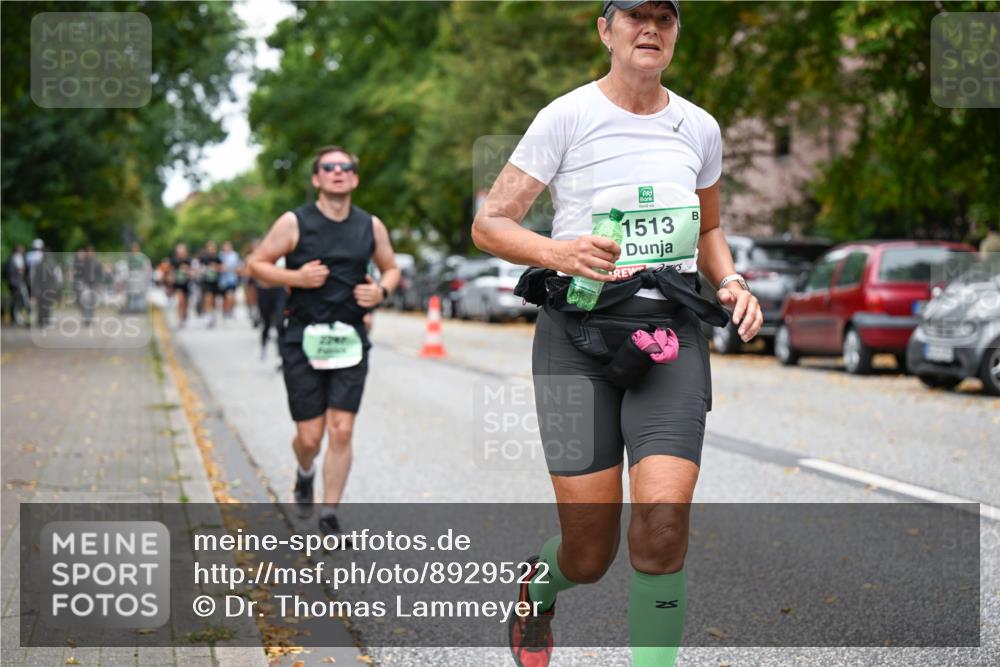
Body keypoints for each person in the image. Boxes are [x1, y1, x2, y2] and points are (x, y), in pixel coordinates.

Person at [471, 3, 763, 666]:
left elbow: (711, 228)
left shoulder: (700, 127)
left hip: (670, 339)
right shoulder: (565, 117)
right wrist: (560, 252)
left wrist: (731, 281)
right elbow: (490, 225)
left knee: (662, 528)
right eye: (635, 15)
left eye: (665, 16)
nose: (650, 28)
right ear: (605, 30)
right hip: (576, 341)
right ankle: (540, 586)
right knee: (589, 553)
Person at [249, 144, 400, 537]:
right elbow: (257, 265)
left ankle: (329, 513)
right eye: (329, 167)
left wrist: (380, 291)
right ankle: (305, 471)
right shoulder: (294, 223)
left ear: (355, 178)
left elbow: (391, 267)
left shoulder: (370, 226)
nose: (338, 171)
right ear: (317, 178)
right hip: (302, 337)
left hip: (350, 338)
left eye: (345, 166)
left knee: (342, 429)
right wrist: (296, 278)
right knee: (309, 436)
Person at [168, 243, 194, 327]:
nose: (180, 253)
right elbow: (171, 272)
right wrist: (171, 280)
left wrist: (187, 270)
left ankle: (184, 315)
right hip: (178, 284)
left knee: (185, 302)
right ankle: (180, 318)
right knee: (180, 300)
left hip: (187, 284)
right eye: (179, 251)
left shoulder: (189, 260)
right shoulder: (174, 261)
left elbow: (193, 272)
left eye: (182, 251)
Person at [4, 243, 30, 325]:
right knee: (21, 301)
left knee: (14, 301)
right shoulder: (17, 257)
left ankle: (15, 319)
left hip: (12, 283)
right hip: (17, 283)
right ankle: (22, 319)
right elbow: (20, 270)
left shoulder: (11, 257)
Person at [199, 240, 223, 327]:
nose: (211, 249)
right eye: (210, 247)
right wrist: (207, 269)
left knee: (213, 299)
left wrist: (216, 267)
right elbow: (199, 268)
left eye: (213, 247)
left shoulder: (218, 258)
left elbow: (223, 268)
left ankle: (212, 314)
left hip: (215, 281)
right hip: (206, 281)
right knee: (207, 297)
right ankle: (208, 315)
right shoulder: (203, 258)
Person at [218, 241, 241, 318]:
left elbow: (238, 267)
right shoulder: (220, 255)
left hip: (232, 280)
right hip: (222, 281)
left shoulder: (235, 255)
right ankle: (225, 311)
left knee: (230, 296)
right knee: (224, 297)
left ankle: (230, 310)